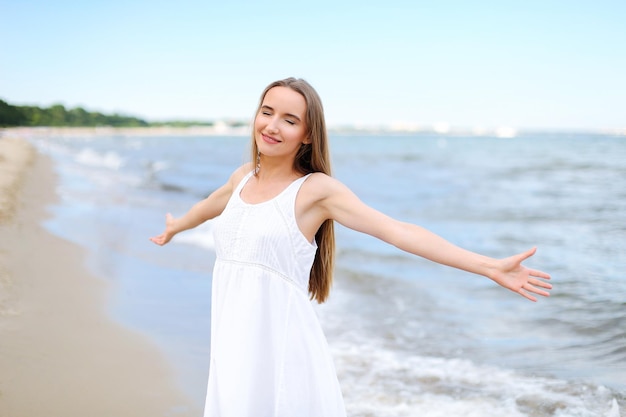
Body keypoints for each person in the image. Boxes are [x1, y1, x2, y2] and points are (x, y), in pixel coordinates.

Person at [150, 77, 552, 417]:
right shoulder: (241, 178)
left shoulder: (314, 191)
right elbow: (209, 206)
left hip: (282, 352)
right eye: (267, 111)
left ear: (307, 134)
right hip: (233, 344)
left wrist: (488, 266)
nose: (272, 126)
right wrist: (177, 226)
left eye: (290, 120)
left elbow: (397, 230)